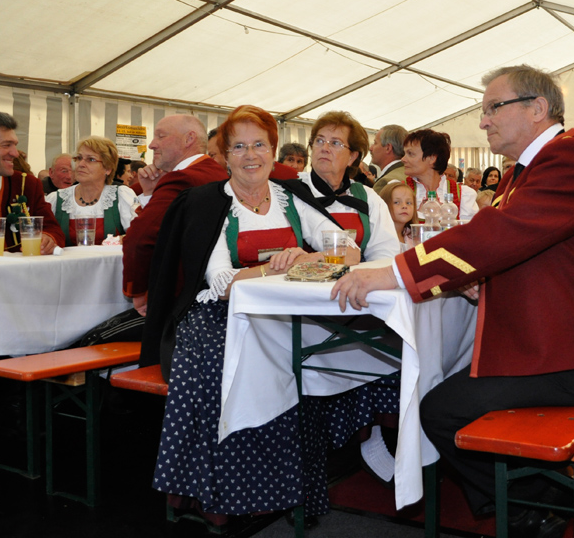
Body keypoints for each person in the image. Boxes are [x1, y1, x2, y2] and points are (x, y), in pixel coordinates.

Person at [330, 65, 574, 528]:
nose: (483, 120)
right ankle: (523, 496)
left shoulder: (566, 159)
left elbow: (496, 235)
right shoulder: (531, 168)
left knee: (440, 410)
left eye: (494, 107)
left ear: (537, 108)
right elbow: (517, 246)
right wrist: (476, 277)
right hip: (559, 345)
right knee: (444, 391)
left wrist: (394, 273)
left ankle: (541, 498)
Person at [139, 105, 348, 523]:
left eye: (259, 145)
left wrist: (307, 256)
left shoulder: (292, 197)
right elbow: (220, 282)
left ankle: (293, 489)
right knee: (230, 361)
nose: (250, 155)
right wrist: (275, 267)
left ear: (273, 151)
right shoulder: (206, 203)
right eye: (238, 147)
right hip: (220, 315)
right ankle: (225, 493)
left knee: (318, 354)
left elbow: (346, 248)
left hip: (283, 311)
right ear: (223, 156)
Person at [122, 115, 229, 317]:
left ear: (189, 139)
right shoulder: (215, 172)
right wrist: (150, 193)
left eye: (161, 136)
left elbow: (140, 239)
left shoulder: (182, 179)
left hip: (180, 303)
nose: (152, 144)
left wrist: (137, 291)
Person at [286, 112, 400, 261]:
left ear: (352, 157)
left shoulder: (367, 197)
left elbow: (384, 254)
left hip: (359, 274)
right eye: (319, 140)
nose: (325, 148)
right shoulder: (291, 191)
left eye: (335, 143)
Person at [0, 111, 64, 253]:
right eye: (6, 145)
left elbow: (54, 230)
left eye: (15, 145)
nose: (15, 153)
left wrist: (48, 238)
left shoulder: (27, 184)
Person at [45, 136, 137, 245]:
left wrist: (123, 239)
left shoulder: (121, 195)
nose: (81, 164)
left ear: (108, 168)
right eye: (79, 158)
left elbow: (139, 234)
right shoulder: (56, 199)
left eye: (91, 159)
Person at [402, 129, 479, 222]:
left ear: (432, 158)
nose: (403, 159)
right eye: (405, 153)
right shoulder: (399, 190)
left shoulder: (463, 195)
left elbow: (469, 230)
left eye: (410, 154)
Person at [370, 125, 407, 193]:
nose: (370, 148)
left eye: (375, 143)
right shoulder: (411, 174)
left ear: (388, 148)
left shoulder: (385, 182)